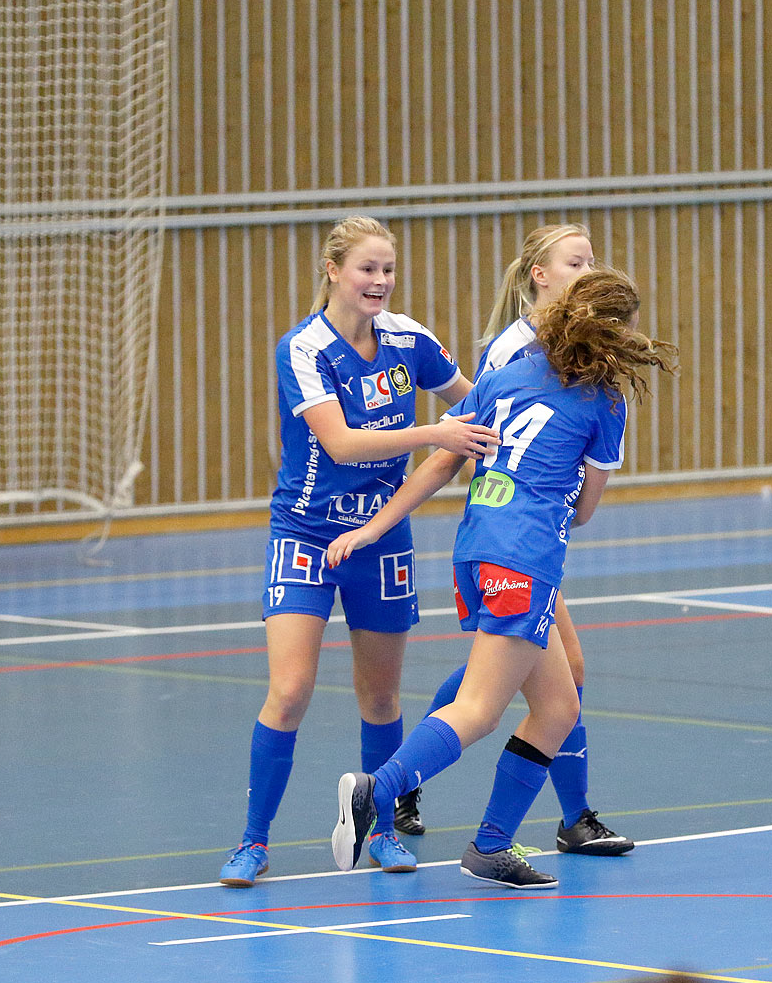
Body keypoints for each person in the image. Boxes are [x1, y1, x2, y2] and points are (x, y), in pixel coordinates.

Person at [327, 267, 677, 888]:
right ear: (614, 333)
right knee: (481, 708)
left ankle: (491, 846)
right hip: (525, 556)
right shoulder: (604, 400)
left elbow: (443, 460)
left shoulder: (506, 375)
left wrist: (375, 527)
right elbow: (586, 510)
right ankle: (377, 792)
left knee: (558, 704)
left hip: (474, 546)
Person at [218, 216, 499, 887]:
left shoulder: (410, 340)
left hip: (382, 537)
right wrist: (435, 432)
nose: (379, 281)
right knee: (288, 691)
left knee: (379, 694)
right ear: (333, 271)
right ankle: (253, 843)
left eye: (388, 270)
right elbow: (341, 444)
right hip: (308, 534)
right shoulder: (305, 349)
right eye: (367, 268)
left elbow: (480, 403)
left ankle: (379, 831)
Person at [392, 223, 634, 858]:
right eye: (575, 262)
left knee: (549, 675)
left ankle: (566, 815)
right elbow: (476, 447)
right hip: (516, 534)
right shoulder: (514, 355)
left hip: (521, 534)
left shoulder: (582, 353)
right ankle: (402, 781)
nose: (588, 271)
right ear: (541, 276)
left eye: (592, 262)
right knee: (501, 688)